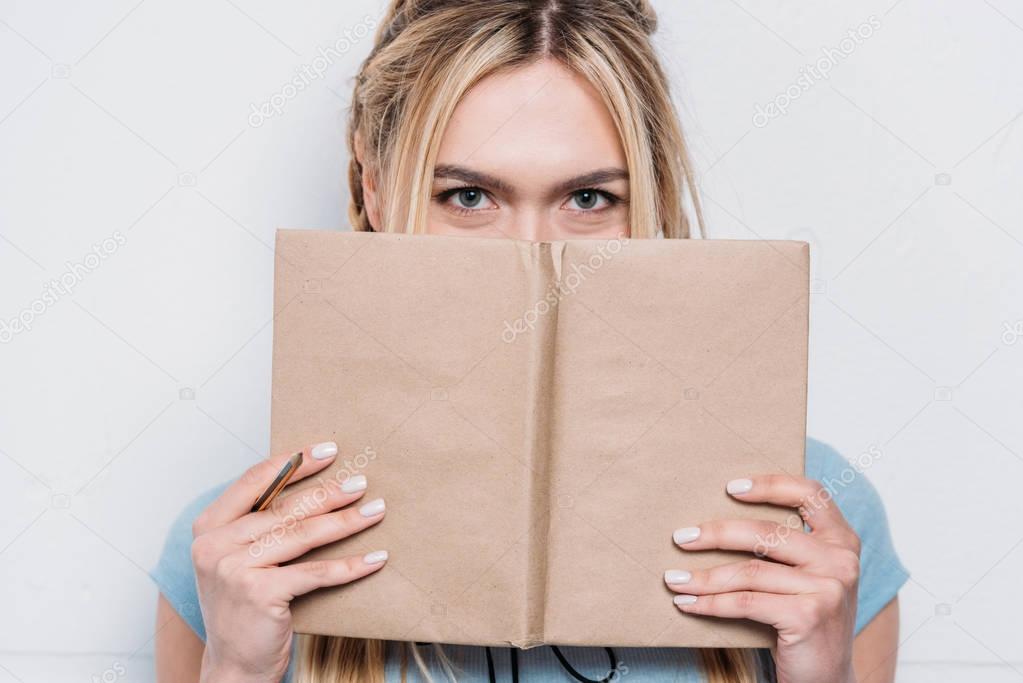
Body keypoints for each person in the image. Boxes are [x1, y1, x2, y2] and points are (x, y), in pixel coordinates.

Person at [151, 1, 909, 681]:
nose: (532, 258)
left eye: (588, 198)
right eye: (468, 196)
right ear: (374, 189)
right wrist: (238, 669)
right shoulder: (238, 555)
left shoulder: (809, 526)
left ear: (651, 201)